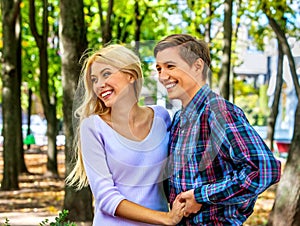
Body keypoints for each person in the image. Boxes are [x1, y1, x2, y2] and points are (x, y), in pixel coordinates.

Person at [154, 34, 282, 225]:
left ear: (197, 66)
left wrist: (201, 196)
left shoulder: (217, 111)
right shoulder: (180, 118)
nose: (162, 76)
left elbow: (263, 169)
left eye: (170, 66)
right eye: (159, 69)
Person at [66, 44, 185, 225]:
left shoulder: (161, 117)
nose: (99, 85)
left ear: (130, 75)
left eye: (106, 74)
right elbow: (106, 198)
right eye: (94, 79)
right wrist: (166, 218)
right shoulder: (93, 127)